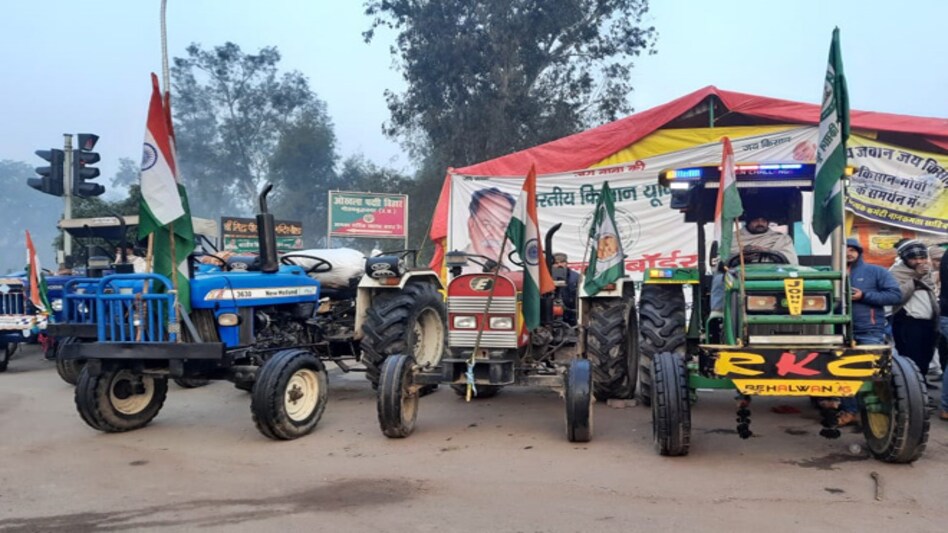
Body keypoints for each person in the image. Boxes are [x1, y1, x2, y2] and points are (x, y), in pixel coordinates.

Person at [835, 238, 902, 426]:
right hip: (838, 330)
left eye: (852, 249)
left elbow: (895, 295)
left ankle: (876, 414)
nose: (849, 253)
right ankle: (849, 411)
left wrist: (864, 296)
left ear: (859, 252)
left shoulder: (876, 271)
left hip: (869, 330)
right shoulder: (831, 271)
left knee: (872, 373)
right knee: (842, 371)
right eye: (845, 249)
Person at [711, 213, 798, 312]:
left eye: (763, 220)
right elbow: (721, 261)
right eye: (756, 220)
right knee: (720, 277)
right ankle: (718, 312)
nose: (760, 223)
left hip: (774, 273)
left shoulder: (780, 238)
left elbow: (791, 260)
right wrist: (741, 256)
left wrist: (767, 251)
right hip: (739, 274)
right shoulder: (732, 239)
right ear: (748, 222)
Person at [889, 239, 939, 385]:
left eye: (922, 258)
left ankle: (921, 385)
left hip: (928, 321)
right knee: (911, 358)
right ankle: (911, 388)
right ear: (905, 258)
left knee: (926, 356)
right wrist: (915, 278)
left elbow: (931, 292)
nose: (919, 261)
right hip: (908, 323)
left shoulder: (927, 273)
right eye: (914, 258)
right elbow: (897, 297)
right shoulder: (895, 273)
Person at [465, 187, 516, 266]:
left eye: (504, 227)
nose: (495, 234)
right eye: (487, 225)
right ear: (471, 225)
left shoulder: (521, 265)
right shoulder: (458, 267)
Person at [552, 252, 580, 325]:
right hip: (552, 315)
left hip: (573, 314)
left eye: (562, 262)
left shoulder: (576, 277)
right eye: (556, 263)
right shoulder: (547, 277)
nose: (559, 265)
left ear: (566, 263)